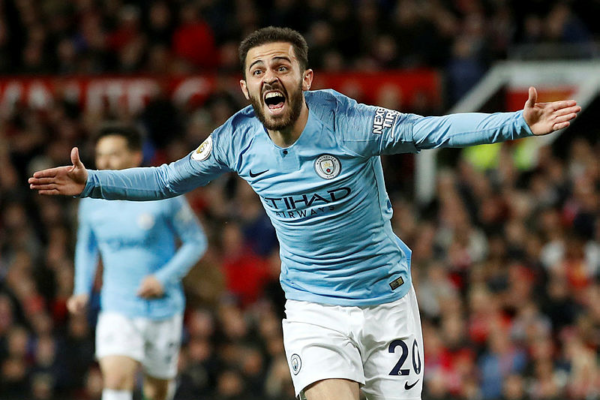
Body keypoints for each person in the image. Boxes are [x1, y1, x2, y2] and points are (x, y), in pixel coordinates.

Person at [29, 27, 580, 400]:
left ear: (305, 79)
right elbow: (166, 178)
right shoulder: (236, 139)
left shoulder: (349, 122)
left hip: (387, 303)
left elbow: (431, 129)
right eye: (258, 69)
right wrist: (92, 182)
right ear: (246, 87)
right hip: (314, 310)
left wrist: (516, 123)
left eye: (282, 66)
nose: (270, 76)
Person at [66, 125, 207, 400]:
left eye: (114, 154)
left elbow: (196, 241)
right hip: (117, 306)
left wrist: (163, 279)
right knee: (116, 379)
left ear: (136, 156)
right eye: (101, 155)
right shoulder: (91, 200)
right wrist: (81, 289)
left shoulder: (164, 192)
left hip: (163, 308)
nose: (105, 162)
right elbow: (87, 246)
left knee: (157, 391)